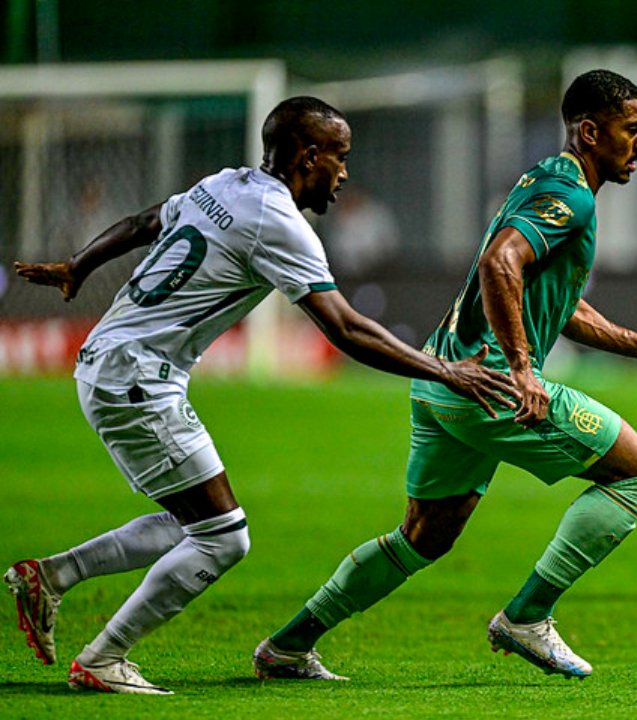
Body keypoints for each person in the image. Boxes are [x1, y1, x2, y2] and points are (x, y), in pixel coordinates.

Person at [5, 96, 516, 695]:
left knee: (192, 520)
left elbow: (150, 220)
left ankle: (52, 577)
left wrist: (79, 264)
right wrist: (446, 372)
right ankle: (104, 657)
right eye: (340, 157)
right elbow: (346, 328)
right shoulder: (278, 222)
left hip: (109, 363)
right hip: (139, 379)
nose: (345, 172)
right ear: (308, 155)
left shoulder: (224, 185)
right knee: (224, 536)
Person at [253, 70, 637, 681]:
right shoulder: (570, 196)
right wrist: (522, 367)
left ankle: (288, 645)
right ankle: (528, 616)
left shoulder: (547, 182)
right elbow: (501, 262)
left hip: (442, 380)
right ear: (592, 131)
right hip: (490, 386)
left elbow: (558, 301)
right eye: (634, 129)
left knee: (422, 537)